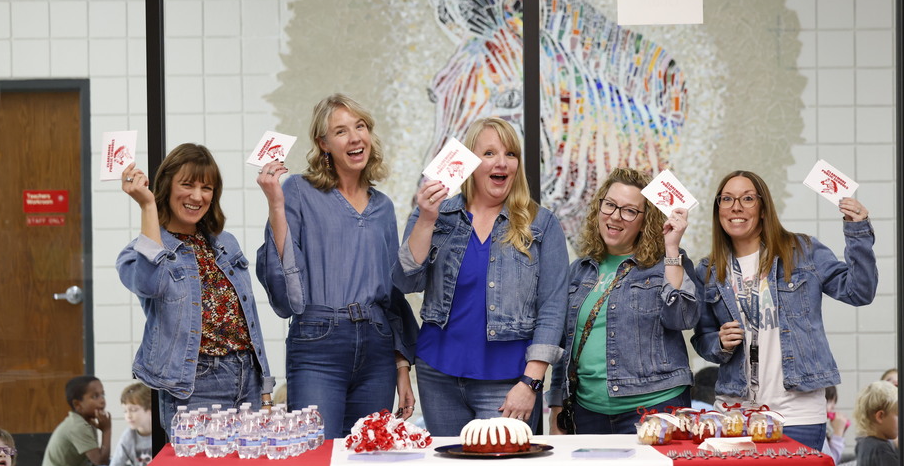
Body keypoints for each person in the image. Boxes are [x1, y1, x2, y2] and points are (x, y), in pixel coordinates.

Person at [393, 117, 568, 435]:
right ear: (468, 163)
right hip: (438, 375)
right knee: (448, 465)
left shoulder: (542, 224)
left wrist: (531, 382)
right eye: (489, 153)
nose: (502, 162)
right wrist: (426, 220)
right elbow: (406, 281)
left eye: (510, 154)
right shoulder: (434, 214)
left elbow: (553, 309)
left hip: (508, 382)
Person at [256, 94, 417, 436]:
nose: (355, 137)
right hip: (318, 344)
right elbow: (286, 289)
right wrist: (276, 206)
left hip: (377, 349)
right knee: (316, 453)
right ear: (323, 144)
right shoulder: (297, 191)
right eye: (341, 131)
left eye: (361, 127)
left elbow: (393, 296)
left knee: (369, 455)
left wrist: (402, 366)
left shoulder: (383, 208)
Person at [691, 170, 877, 451]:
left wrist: (858, 231)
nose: (736, 207)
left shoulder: (802, 251)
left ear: (764, 209)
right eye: (726, 199)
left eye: (747, 199)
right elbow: (702, 337)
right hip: (735, 414)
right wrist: (718, 342)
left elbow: (859, 291)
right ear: (718, 210)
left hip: (796, 414)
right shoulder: (708, 270)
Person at [117, 144, 275, 430]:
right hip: (196, 383)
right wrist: (147, 206)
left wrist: (264, 386)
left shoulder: (225, 242)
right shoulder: (140, 251)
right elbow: (149, 283)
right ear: (167, 186)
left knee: (249, 461)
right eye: (187, 185)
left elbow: (248, 319)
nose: (197, 196)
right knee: (203, 461)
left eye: (207, 188)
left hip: (247, 377)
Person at [547, 167, 698, 434]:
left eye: (629, 211)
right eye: (610, 205)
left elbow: (682, 318)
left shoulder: (666, 263)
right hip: (587, 413)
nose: (615, 216)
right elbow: (564, 345)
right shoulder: (579, 270)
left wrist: (672, 247)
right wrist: (557, 406)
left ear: (645, 220)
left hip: (655, 409)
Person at [39, 376, 125, 466]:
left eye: (102, 395)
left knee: (117, 463)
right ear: (77, 404)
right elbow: (100, 462)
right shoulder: (78, 426)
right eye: (95, 396)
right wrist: (107, 431)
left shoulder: (86, 421)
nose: (102, 400)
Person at [84, 383, 153, 466]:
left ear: (150, 410)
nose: (128, 415)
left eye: (133, 410)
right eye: (125, 411)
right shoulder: (128, 436)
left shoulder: (165, 433)